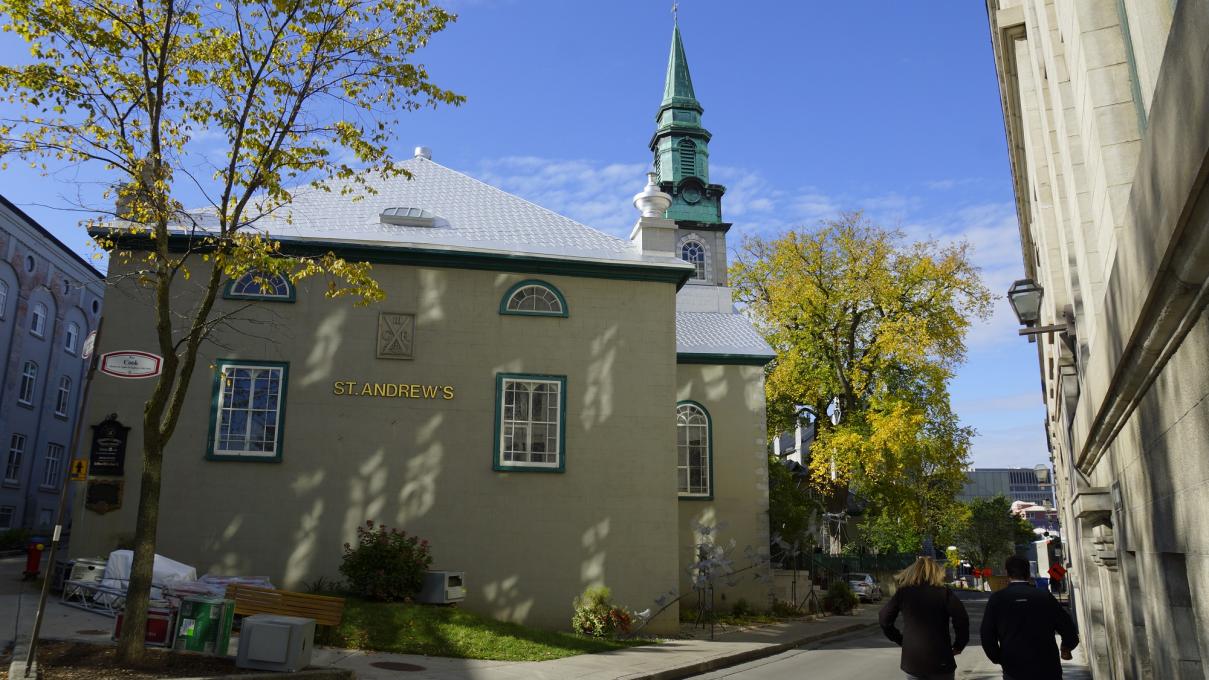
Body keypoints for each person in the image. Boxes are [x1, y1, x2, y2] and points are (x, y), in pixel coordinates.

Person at [981, 555, 1079, 680]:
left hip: (1014, 668)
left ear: (1007, 573)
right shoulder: (1044, 597)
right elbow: (1067, 626)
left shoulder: (998, 599)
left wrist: (999, 658)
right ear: (1028, 573)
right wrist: (1066, 646)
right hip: (1047, 666)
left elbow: (987, 634)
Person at [879, 556, 969, 680]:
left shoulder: (903, 592)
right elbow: (961, 619)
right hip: (941, 660)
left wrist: (900, 640)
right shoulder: (944, 593)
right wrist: (959, 645)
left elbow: (884, 619)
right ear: (936, 572)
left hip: (914, 662)